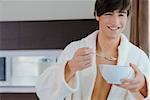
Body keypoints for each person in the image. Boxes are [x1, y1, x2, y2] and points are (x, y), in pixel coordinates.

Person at [36, 0, 150, 100]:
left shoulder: (138, 57)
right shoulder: (74, 50)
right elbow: (44, 93)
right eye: (108, 14)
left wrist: (143, 85)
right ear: (97, 15)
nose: (115, 22)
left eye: (121, 15)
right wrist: (69, 67)